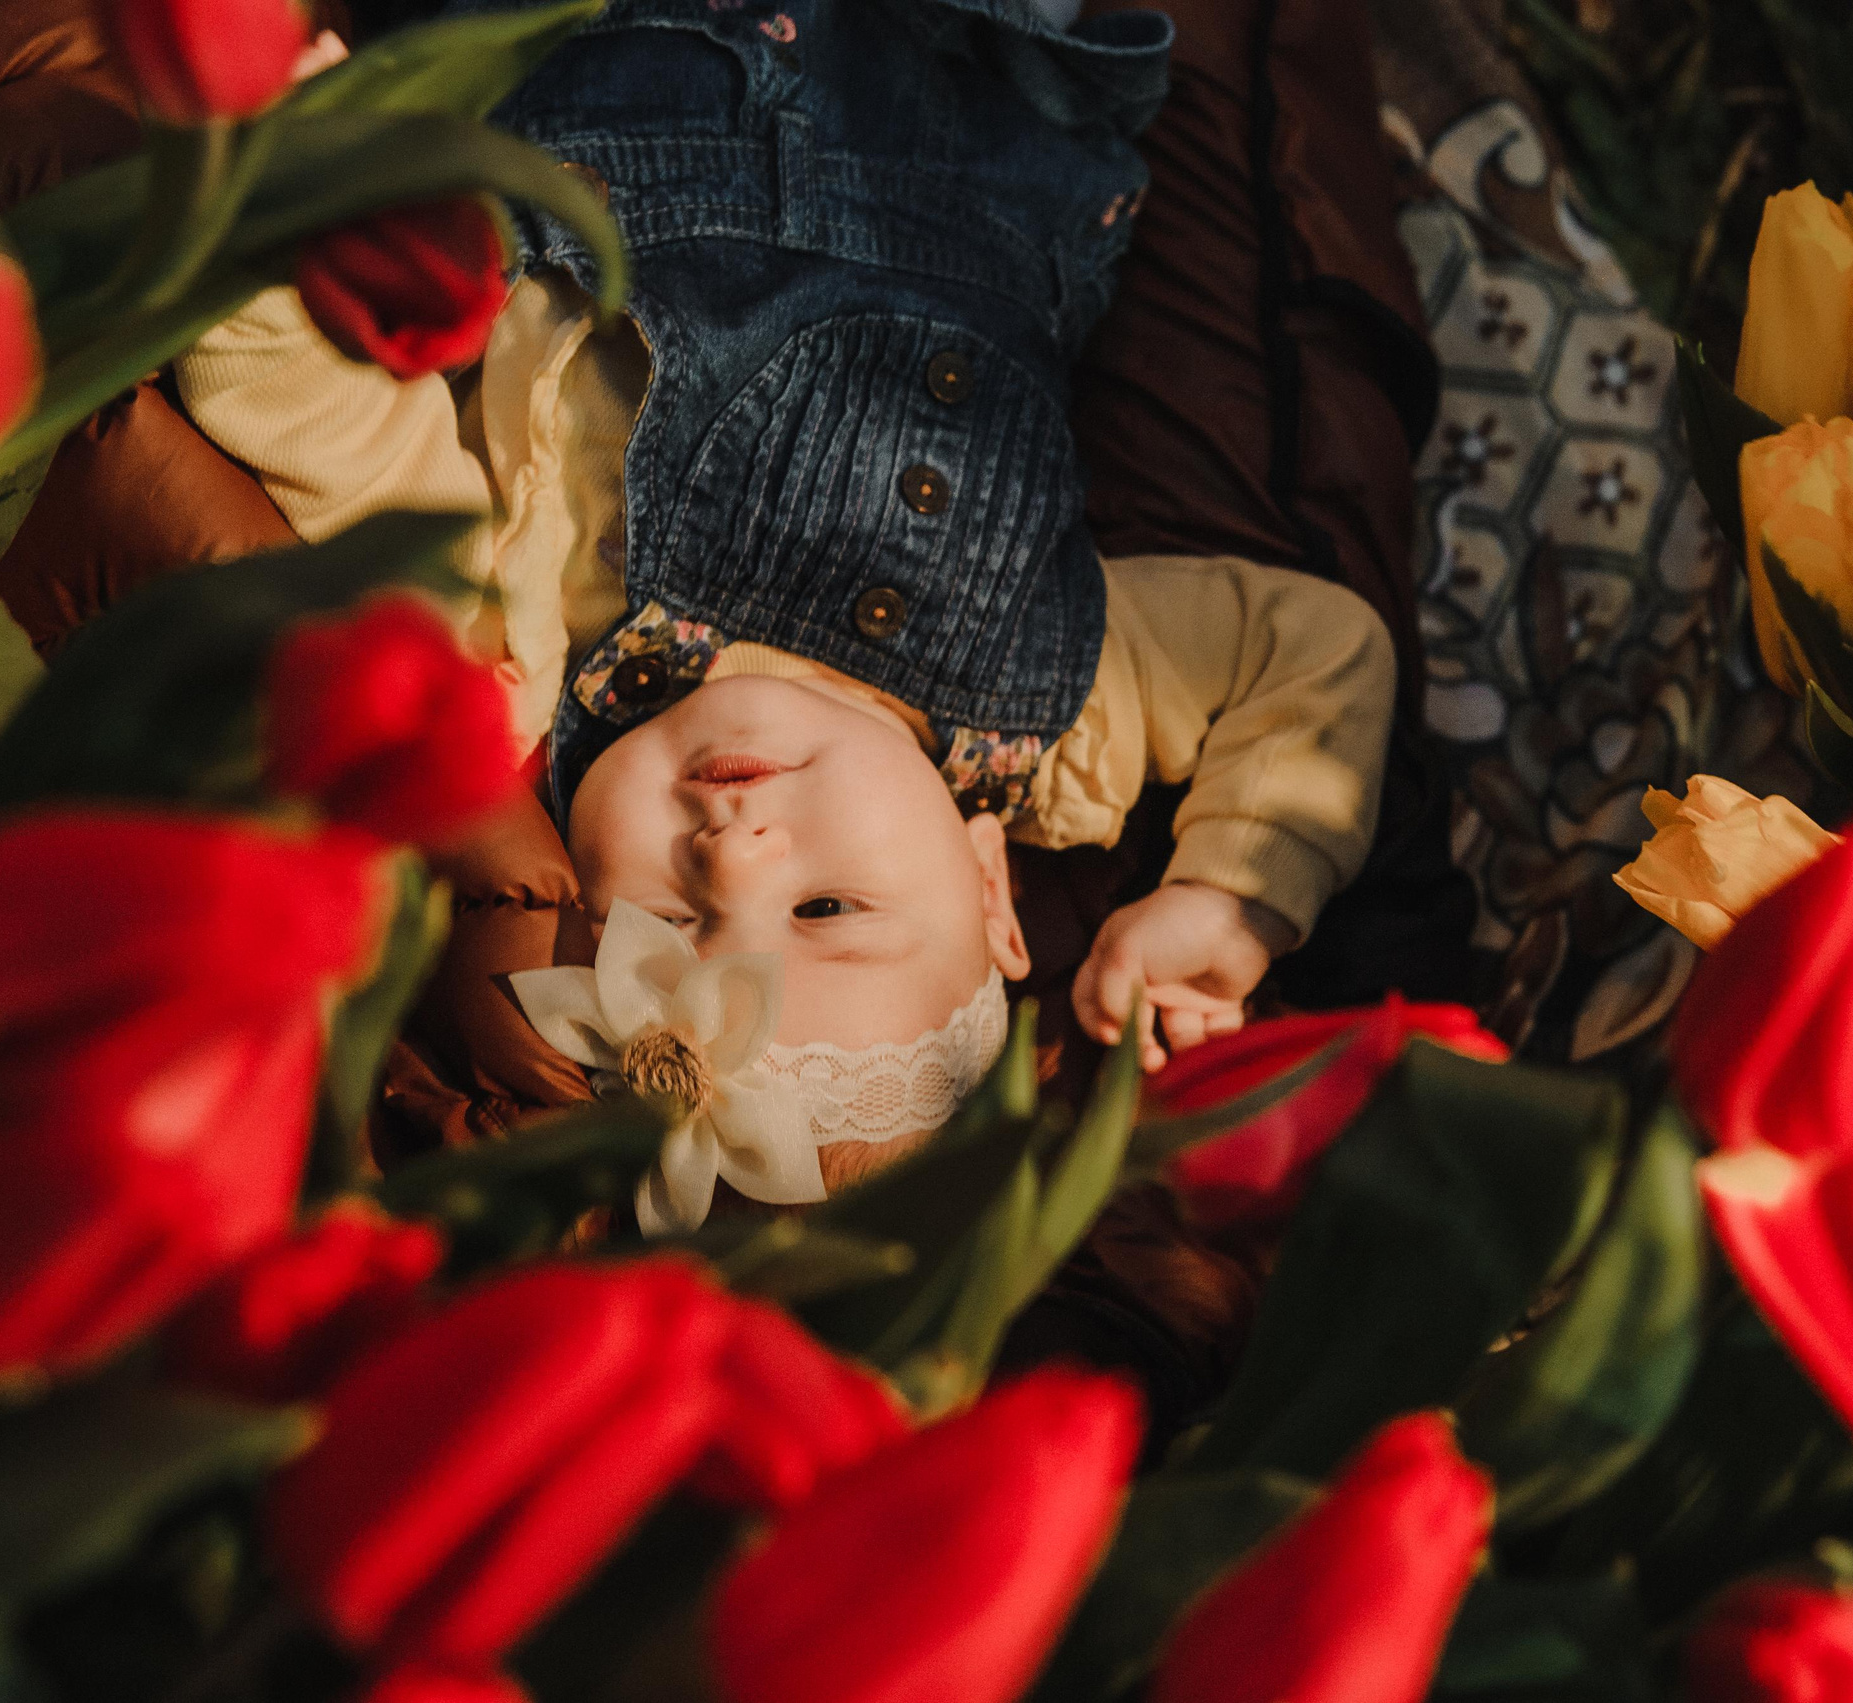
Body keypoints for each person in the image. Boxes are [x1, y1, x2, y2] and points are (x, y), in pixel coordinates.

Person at [175, 0, 1404, 1221]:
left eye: (664, 918)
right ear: (990, 889)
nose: (735, 848)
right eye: (827, 909)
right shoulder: (1056, 723)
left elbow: (326, 435)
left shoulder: (512, 670)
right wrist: (1232, 897)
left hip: (619, 57)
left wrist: (288, 184)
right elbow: (1310, 656)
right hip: (983, 85)